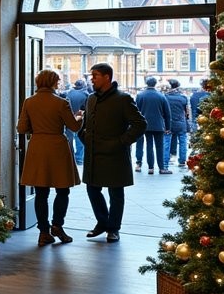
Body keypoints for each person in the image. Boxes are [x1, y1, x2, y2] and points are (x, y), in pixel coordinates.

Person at [79, 63, 147, 242]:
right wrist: (83, 136)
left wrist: (121, 142)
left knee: (115, 192)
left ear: (107, 77)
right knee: (92, 189)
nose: (92, 79)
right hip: (93, 154)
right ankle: (102, 222)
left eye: (95, 75)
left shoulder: (123, 98)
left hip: (115, 154)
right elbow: (86, 123)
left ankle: (114, 228)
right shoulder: (91, 98)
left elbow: (140, 124)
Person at [17, 68, 82, 246]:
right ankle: (57, 226)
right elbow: (74, 127)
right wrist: (79, 117)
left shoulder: (29, 102)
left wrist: (37, 130)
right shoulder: (61, 103)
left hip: (37, 147)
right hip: (57, 148)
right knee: (63, 190)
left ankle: (43, 232)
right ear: (53, 82)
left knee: (41, 192)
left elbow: (21, 128)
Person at [134, 76, 171, 174]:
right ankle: (161, 168)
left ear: (146, 83)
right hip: (159, 125)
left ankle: (151, 168)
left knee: (149, 145)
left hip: (145, 124)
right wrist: (168, 127)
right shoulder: (161, 96)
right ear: (155, 84)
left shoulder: (140, 95)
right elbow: (167, 113)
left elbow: (135, 111)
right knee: (159, 146)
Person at [164, 79, 190, 169]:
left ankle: (165, 162)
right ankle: (182, 161)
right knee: (183, 142)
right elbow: (187, 112)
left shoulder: (165, 97)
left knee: (166, 142)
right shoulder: (183, 98)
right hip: (181, 122)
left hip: (168, 123)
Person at [64, 78, 89, 165]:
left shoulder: (69, 93)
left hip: (69, 119)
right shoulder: (85, 94)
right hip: (80, 119)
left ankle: (70, 157)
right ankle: (79, 159)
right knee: (79, 139)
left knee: (69, 139)